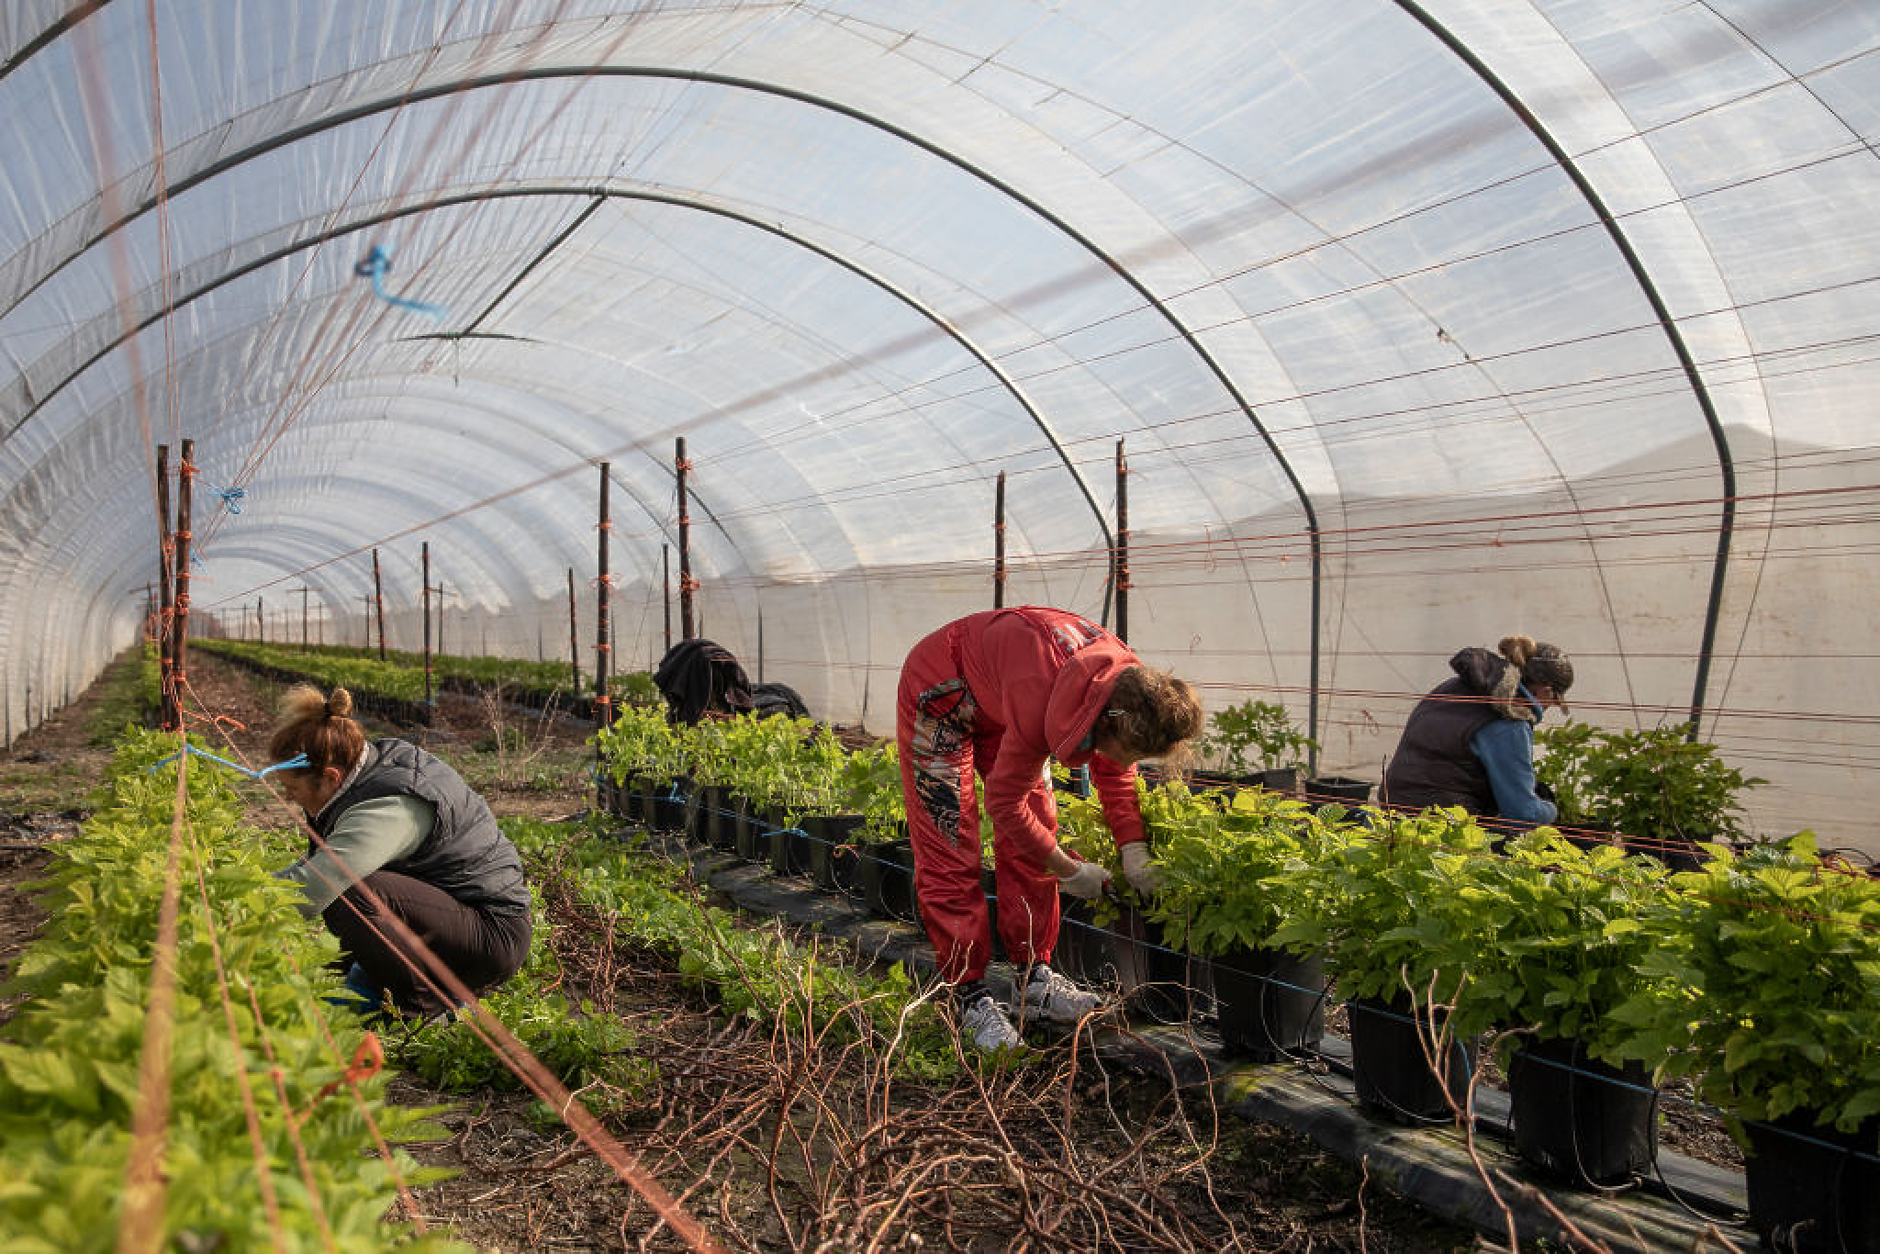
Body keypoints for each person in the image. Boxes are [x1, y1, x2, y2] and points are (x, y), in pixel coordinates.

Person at [897, 606, 1204, 1051]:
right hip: (941, 695)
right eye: (1122, 748)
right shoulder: (1043, 690)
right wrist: (1068, 870)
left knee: (1037, 821)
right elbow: (1004, 803)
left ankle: (1033, 979)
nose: (1119, 759)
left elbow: (1115, 769)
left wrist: (1133, 847)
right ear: (1107, 722)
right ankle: (966, 996)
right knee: (949, 835)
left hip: (1003, 698)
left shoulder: (1126, 686)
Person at [269, 684, 532, 1019]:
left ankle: (422, 1010)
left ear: (331, 777)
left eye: (292, 789)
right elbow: (317, 865)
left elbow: (316, 883)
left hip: (490, 937)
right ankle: (394, 985)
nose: (289, 798)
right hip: (451, 915)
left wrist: (234, 912)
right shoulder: (367, 769)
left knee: (349, 894)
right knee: (348, 923)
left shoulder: (390, 806)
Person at [1381, 635, 1573, 830]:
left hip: (1393, 804)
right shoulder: (1511, 718)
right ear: (1546, 691)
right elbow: (1523, 814)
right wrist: (1550, 808)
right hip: (1440, 823)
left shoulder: (1456, 686)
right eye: (1553, 702)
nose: (1548, 707)